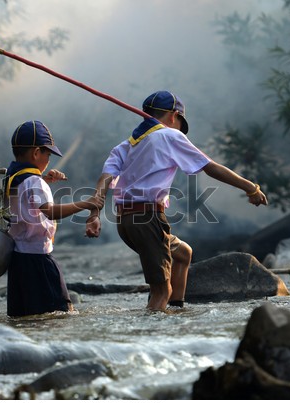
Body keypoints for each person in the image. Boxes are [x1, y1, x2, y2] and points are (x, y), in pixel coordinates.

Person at [85, 91, 268, 311]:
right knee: (162, 290)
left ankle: (177, 311)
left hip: (125, 221)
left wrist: (94, 215)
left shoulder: (124, 146)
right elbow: (210, 168)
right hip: (148, 219)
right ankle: (150, 337)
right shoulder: (170, 136)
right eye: (181, 121)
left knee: (183, 254)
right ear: (173, 116)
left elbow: (104, 180)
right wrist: (251, 188)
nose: (181, 128)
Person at [4, 120, 104, 317]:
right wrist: (86, 203)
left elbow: (27, 199)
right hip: (39, 260)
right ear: (35, 153)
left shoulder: (12, 177)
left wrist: (44, 179)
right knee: (60, 314)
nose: (49, 160)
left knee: (25, 316)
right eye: (47, 154)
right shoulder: (34, 182)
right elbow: (50, 211)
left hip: (18, 259)